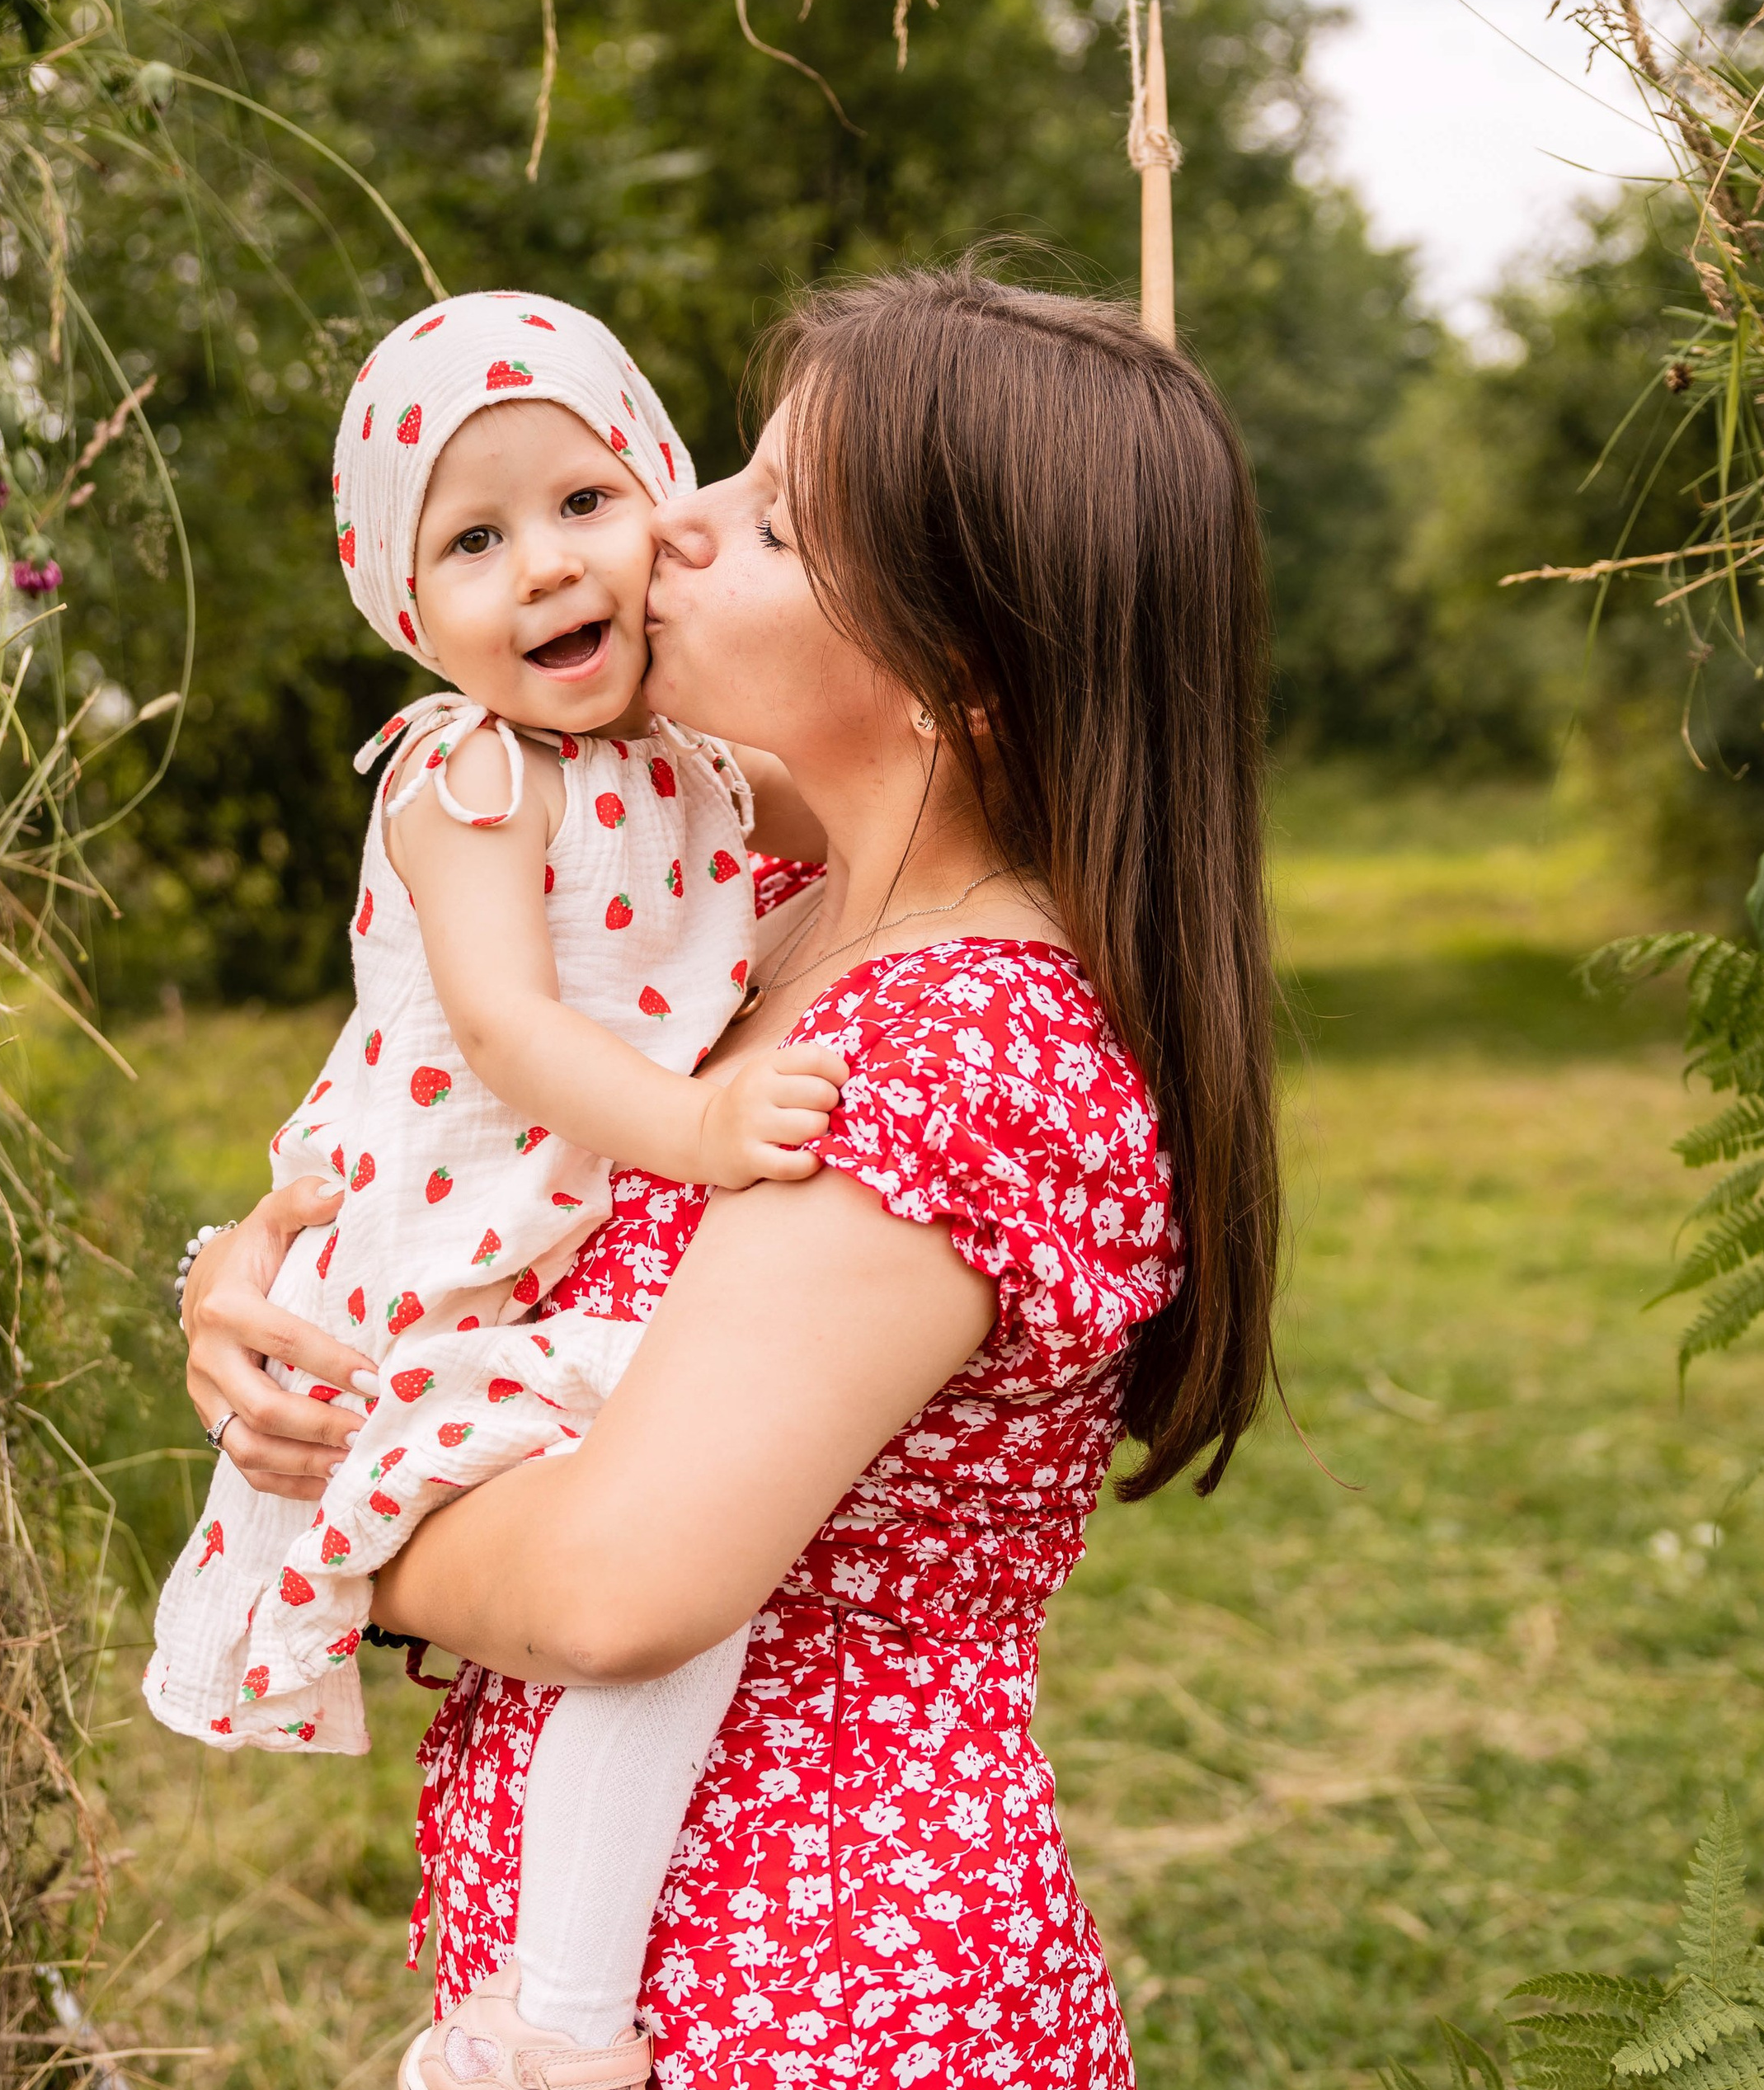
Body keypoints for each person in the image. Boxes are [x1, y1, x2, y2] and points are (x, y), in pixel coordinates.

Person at [178, 261, 1280, 2090]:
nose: (666, 524)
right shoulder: (758, 915)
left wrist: (319, 1516)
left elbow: (617, 1582)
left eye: (765, 518)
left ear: (957, 675)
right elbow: (467, 1143)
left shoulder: (956, 1061)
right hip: (644, 1955)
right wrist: (257, 1296)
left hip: (805, 1995)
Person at [146, 290, 847, 2086]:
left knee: (665, 1552)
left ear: (657, 503)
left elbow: (884, 793)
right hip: (450, 1240)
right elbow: (513, 1028)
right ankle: (553, 2020)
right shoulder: (461, 776)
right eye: (472, 538)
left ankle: (546, 2002)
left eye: (582, 503)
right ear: (404, 601)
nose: (541, 569)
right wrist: (696, 1134)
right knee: (657, 1547)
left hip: (557, 1245)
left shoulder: (691, 760)